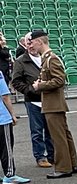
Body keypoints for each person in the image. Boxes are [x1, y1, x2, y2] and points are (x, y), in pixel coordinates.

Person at [30, 30, 77, 179]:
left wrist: (40, 86)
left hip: (53, 104)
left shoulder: (51, 59)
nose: (31, 46)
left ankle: (64, 168)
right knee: (64, 134)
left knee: (58, 137)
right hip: (54, 103)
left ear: (40, 41)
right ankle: (72, 163)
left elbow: (59, 80)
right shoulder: (48, 58)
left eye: (32, 43)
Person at [11, 34, 54, 168]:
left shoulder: (47, 58)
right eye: (27, 43)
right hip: (33, 100)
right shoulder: (21, 61)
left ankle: (52, 155)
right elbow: (16, 82)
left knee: (50, 129)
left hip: (48, 99)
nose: (30, 46)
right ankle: (40, 157)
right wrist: (30, 90)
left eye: (32, 43)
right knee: (36, 130)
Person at [0, 71, 29, 184]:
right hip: (1, 118)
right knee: (6, 148)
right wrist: (12, 114)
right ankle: (10, 174)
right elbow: (5, 96)